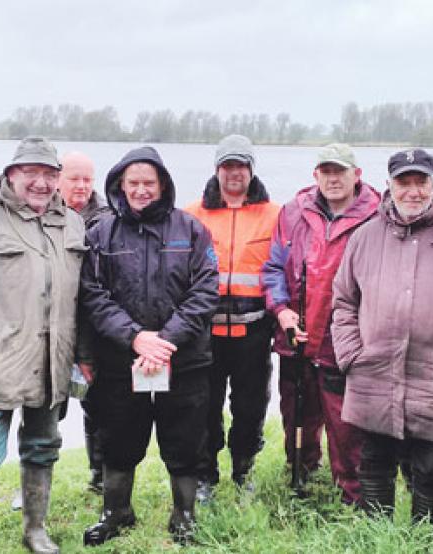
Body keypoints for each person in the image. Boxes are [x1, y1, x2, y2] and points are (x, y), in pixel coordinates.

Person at [330, 148, 433, 526]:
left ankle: (423, 539)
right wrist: (352, 355)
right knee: (374, 462)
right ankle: (378, 538)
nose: (412, 191)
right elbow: (343, 302)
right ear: (389, 186)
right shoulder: (365, 236)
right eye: (403, 182)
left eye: (420, 181)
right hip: (373, 373)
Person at [0, 137, 86, 554]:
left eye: (49, 174)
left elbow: (83, 297)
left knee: (43, 448)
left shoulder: (74, 223)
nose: (41, 183)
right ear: (11, 175)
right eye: (32, 173)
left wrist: (80, 357)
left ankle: (35, 531)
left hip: (53, 363)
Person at [79, 146, 218, 545]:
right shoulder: (100, 234)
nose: (141, 190)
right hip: (123, 360)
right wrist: (135, 337)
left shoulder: (191, 230)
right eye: (133, 183)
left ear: (163, 186)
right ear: (121, 185)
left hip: (184, 359)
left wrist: (166, 340)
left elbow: (205, 291)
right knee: (118, 438)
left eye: (148, 183)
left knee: (186, 439)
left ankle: (184, 515)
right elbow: (92, 294)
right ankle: (116, 512)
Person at [262, 143, 379, 505]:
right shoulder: (293, 212)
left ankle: (352, 490)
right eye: (326, 171)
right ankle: (301, 470)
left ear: (356, 175)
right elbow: (273, 268)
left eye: (340, 171)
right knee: (296, 413)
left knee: (346, 426)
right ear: (316, 175)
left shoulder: (377, 216)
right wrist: (280, 309)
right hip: (295, 338)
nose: (333, 179)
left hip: (343, 341)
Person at [184, 135, 281, 502]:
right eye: (227, 166)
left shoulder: (275, 214)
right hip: (205, 332)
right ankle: (206, 475)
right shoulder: (193, 213)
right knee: (205, 405)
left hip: (253, 331)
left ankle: (244, 471)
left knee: (250, 406)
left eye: (241, 166)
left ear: (251, 169)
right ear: (216, 170)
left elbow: (282, 270)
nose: (234, 173)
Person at [57, 150, 111, 495]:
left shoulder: (107, 218)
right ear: (59, 179)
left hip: (94, 326)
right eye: (74, 178)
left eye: (87, 179)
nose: (81, 186)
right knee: (44, 411)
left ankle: (99, 474)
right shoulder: (41, 214)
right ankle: (34, 481)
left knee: (98, 406)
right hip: (53, 327)